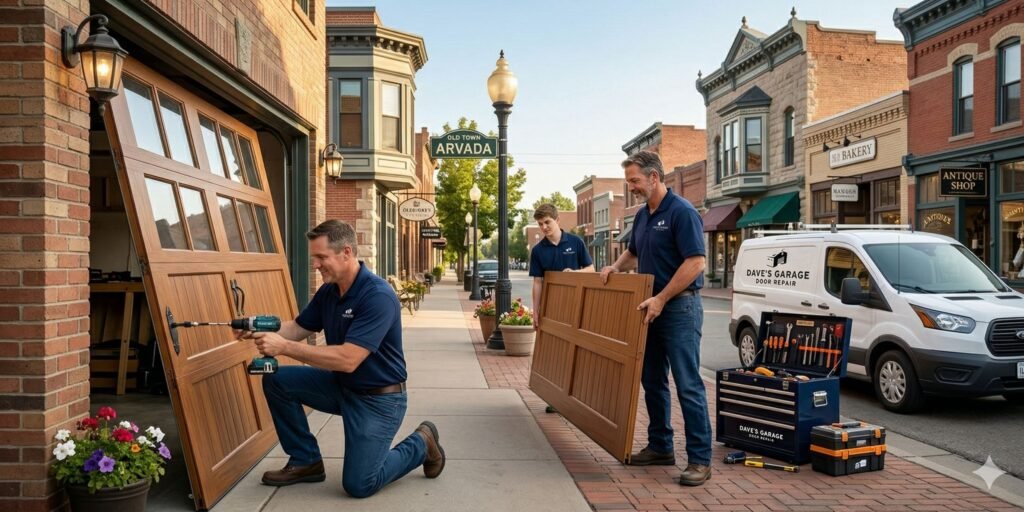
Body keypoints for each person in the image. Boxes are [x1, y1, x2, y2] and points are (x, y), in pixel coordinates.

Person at [239, 220, 444, 498]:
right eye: (315, 257)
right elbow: (299, 328)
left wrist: (283, 346)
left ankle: (422, 443)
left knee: (360, 484)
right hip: (342, 387)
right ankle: (305, 460)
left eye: (322, 257)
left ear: (346, 252)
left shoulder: (378, 296)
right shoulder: (329, 291)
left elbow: (348, 359)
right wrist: (260, 330)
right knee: (276, 379)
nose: (316, 265)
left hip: (379, 400)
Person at [599, 150, 712, 487]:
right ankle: (661, 446)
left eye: (634, 180)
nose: (631, 186)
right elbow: (634, 251)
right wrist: (615, 267)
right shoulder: (644, 216)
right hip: (650, 309)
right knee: (652, 380)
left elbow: (696, 262)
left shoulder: (682, 212)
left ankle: (700, 460)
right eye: (628, 181)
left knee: (688, 385)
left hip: (679, 309)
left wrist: (663, 298)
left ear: (654, 177)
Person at [529, 203, 594, 329]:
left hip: (576, 302)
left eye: (547, 222)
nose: (544, 227)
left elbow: (591, 269)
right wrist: (535, 311)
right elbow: (537, 282)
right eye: (540, 224)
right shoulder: (537, 250)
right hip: (551, 305)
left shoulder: (576, 242)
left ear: (557, 220)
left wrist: (575, 273)